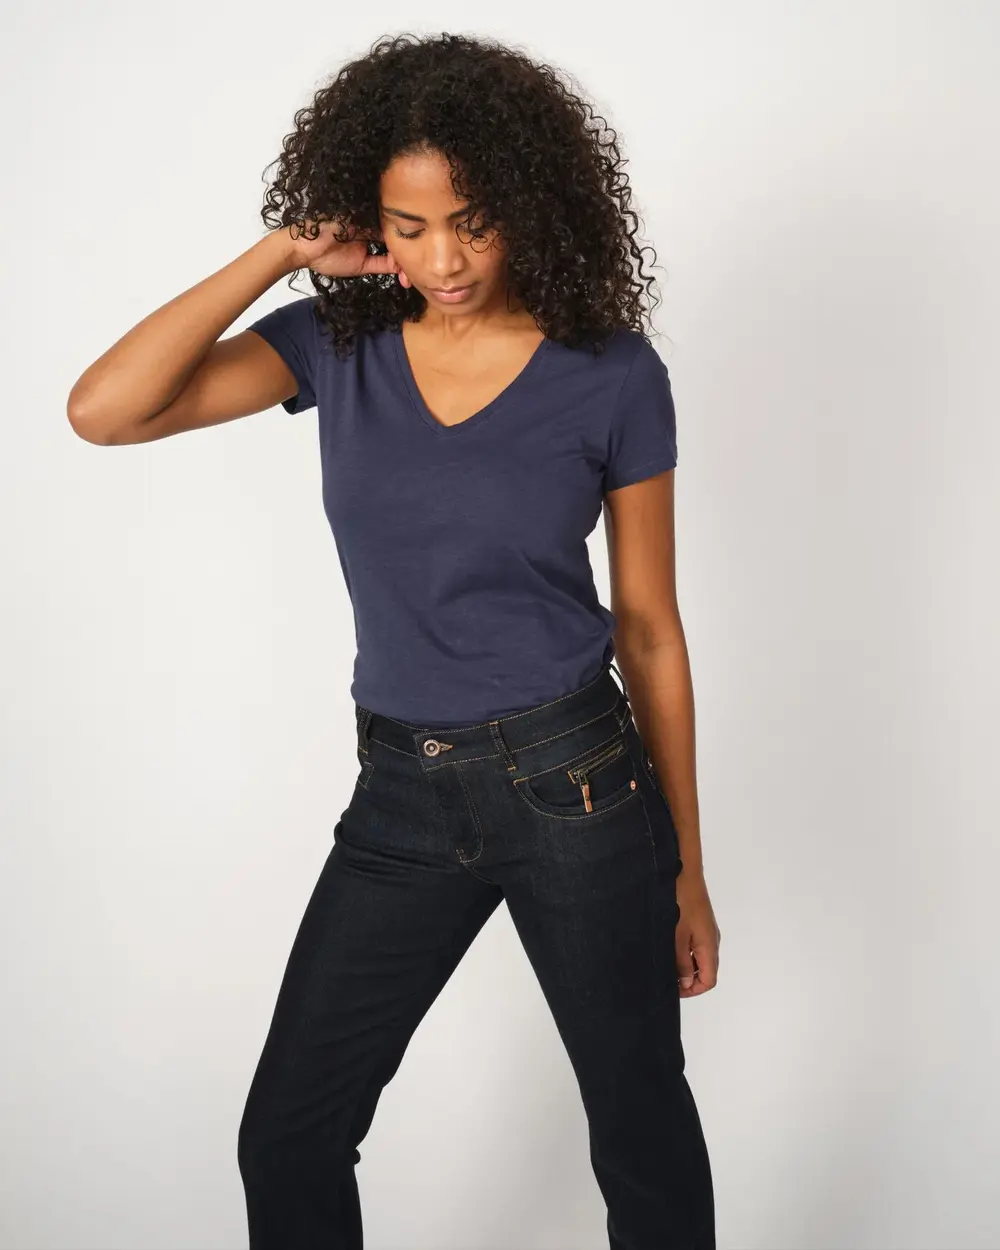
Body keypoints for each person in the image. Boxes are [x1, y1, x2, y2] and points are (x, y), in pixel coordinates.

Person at [67, 30, 720, 1250]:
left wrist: (684, 864)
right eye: (408, 228)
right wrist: (282, 252)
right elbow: (105, 411)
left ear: (529, 201)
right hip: (401, 795)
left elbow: (648, 628)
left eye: (472, 222)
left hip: (577, 781)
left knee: (639, 1128)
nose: (444, 258)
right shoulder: (337, 342)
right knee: (289, 1132)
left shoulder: (612, 373)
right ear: (368, 221)